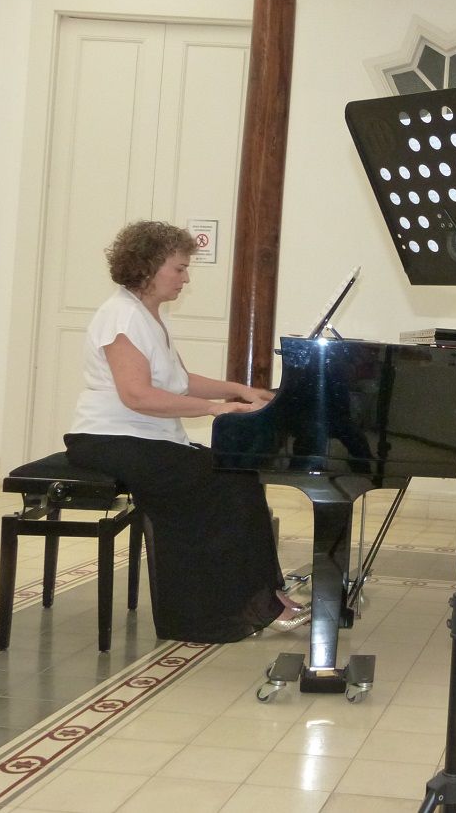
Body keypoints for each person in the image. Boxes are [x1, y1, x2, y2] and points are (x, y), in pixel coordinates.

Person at [64, 221, 310, 643]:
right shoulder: (121, 318)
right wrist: (217, 408)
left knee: (239, 477)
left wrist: (241, 390)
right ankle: (240, 607)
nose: (186, 277)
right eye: (178, 268)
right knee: (225, 482)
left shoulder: (144, 315)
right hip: (108, 441)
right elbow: (138, 396)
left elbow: (176, 380)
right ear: (148, 268)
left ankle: (267, 597)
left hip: (139, 439)